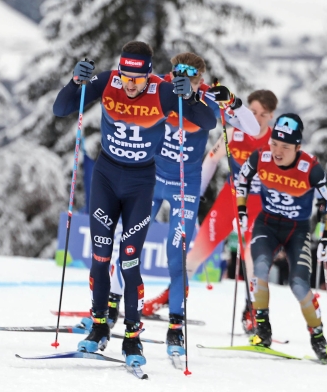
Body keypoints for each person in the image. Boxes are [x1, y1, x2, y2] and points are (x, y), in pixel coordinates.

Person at [52, 41, 216, 366]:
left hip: (141, 183)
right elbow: (61, 108)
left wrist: (190, 96)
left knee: (129, 261)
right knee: (100, 257)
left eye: (137, 79)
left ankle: (132, 338)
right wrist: (75, 82)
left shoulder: (162, 91)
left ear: (149, 75)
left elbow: (208, 121)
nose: (130, 84)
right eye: (126, 76)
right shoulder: (110, 81)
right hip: (107, 178)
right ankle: (99, 327)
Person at [105, 52, 258, 356]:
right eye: (179, 78)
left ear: (201, 81)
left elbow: (252, 130)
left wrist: (235, 102)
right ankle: (110, 308)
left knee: (176, 257)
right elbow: (122, 92)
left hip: (185, 187)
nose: (182, 85)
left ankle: (175, 327)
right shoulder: (159, 86)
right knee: (128, 244)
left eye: (190, 81)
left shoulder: (207, 99)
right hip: (148, 179)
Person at [234, 113, 327, 360]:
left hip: (297, 230)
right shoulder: (261, 156)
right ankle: (262, 328)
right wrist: (241, 210)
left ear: (298, 147)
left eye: (285, 147)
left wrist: (326, 237)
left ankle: (318, 337)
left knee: (300, 285)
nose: (278, 151)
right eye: (274, 144)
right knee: (259, 270)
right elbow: (242, 179)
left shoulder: (311, 168)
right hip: (267, 225)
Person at [178, 89, 277, 332]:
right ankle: (171, 300)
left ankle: (253, 311)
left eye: (264, 114)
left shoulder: (276, 142)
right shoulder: (232, 134)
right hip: (230, 198)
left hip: (257, 204)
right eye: (253, 112)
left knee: (253, 257)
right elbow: (211, 159)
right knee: (197, 252)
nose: (258, 118)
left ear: (271, 116)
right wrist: (197, 193)